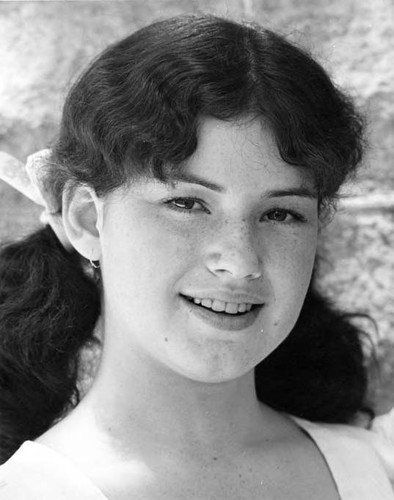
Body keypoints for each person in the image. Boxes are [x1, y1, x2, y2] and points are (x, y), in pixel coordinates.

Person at [0, 13, 393, 500]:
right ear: (85, 219)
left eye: (282, 214)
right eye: (187, 204)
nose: (241, 260)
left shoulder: (381, 465)